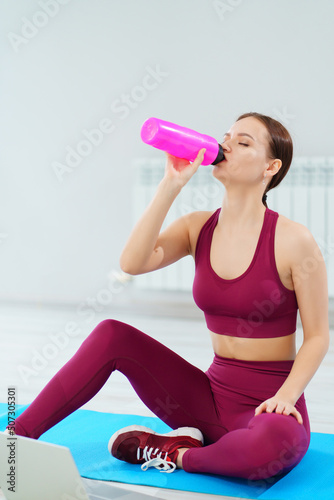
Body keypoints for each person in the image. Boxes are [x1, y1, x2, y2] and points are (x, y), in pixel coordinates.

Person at [7, 112, 329, 482]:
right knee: (112, 334)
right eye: (226, 136)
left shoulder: (294, 240)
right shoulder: (197, 227)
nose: (226, 144)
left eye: (243, 142)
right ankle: (15, 440)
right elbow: (132, 263)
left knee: (272, 450)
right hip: (205, 401)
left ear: (271, 167)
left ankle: (175, 452)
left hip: (266, 408)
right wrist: (170, 185)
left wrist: (286, 397)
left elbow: (318, 335)